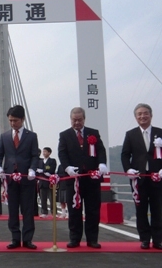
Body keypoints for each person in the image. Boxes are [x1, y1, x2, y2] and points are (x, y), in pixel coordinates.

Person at [58, 106, 108, 249]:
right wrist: (67, 167)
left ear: (84, 119)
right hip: (73, 179)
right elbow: (62, 153)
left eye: (80, 120)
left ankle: (92, 239)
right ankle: (75, 239)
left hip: (92, 178)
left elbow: (101, 150)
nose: (77, 123)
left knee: (93, 209)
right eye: (74, 120)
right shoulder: (64, 135)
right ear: (70, 119)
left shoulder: (93, 133)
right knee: (74, 210)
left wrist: (102, 163)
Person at [0, 105, 39, 250]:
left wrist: (32, 169)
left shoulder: (31, 136)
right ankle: (15, 238)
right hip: (10, 179)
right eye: (10, 121)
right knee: (13, 210)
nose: (13, 124)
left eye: (15, 121)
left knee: (27, 210)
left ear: (22, 119)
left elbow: (34, 155)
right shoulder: (5, 136)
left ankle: (27, 239)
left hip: (27, 178)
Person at [121, 103, 162, 250]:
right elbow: (125, 155)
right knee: (141, 209)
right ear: (136, 117)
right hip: (138, 179)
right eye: (139, 114)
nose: (142, 116)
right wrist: (128, 170)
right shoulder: (130, 134)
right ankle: (144, 239)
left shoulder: (160, 132)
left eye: (145, 113)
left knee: (158, 209)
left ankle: (158, 239)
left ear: (151, 115)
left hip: (158, 178)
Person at [37, 147, 57, 217]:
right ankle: (44, 212)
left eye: (45, 151)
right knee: (43, 198)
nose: (44, 153)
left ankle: (54, 212)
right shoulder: (40, 161)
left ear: (49, 153)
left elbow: (51, 169)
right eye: (43, 151)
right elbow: (37, 171)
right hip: (42, 182)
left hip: (49, 182)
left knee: (51, 198)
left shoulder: (52, 161)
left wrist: (43, 171)